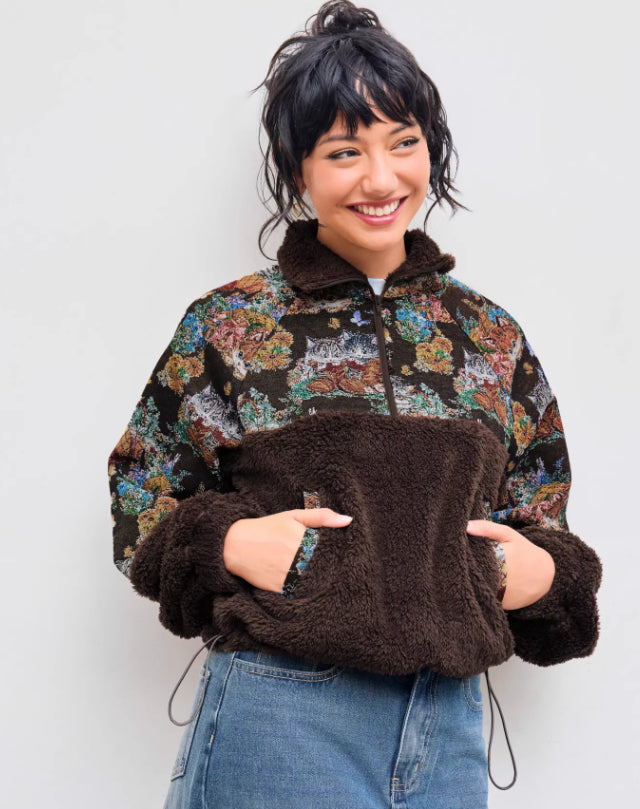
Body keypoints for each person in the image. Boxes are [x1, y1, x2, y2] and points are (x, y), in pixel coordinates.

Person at [108, 2, 602, 807]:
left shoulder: (489, 336)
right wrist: (230, 542)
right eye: (344, 151)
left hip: (449, 726)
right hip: (283, 713)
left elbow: (540, 507)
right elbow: (141, 495)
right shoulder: (232, 324)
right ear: (299, 169)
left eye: (403, 142)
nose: (381, 179)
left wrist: (543, 571)